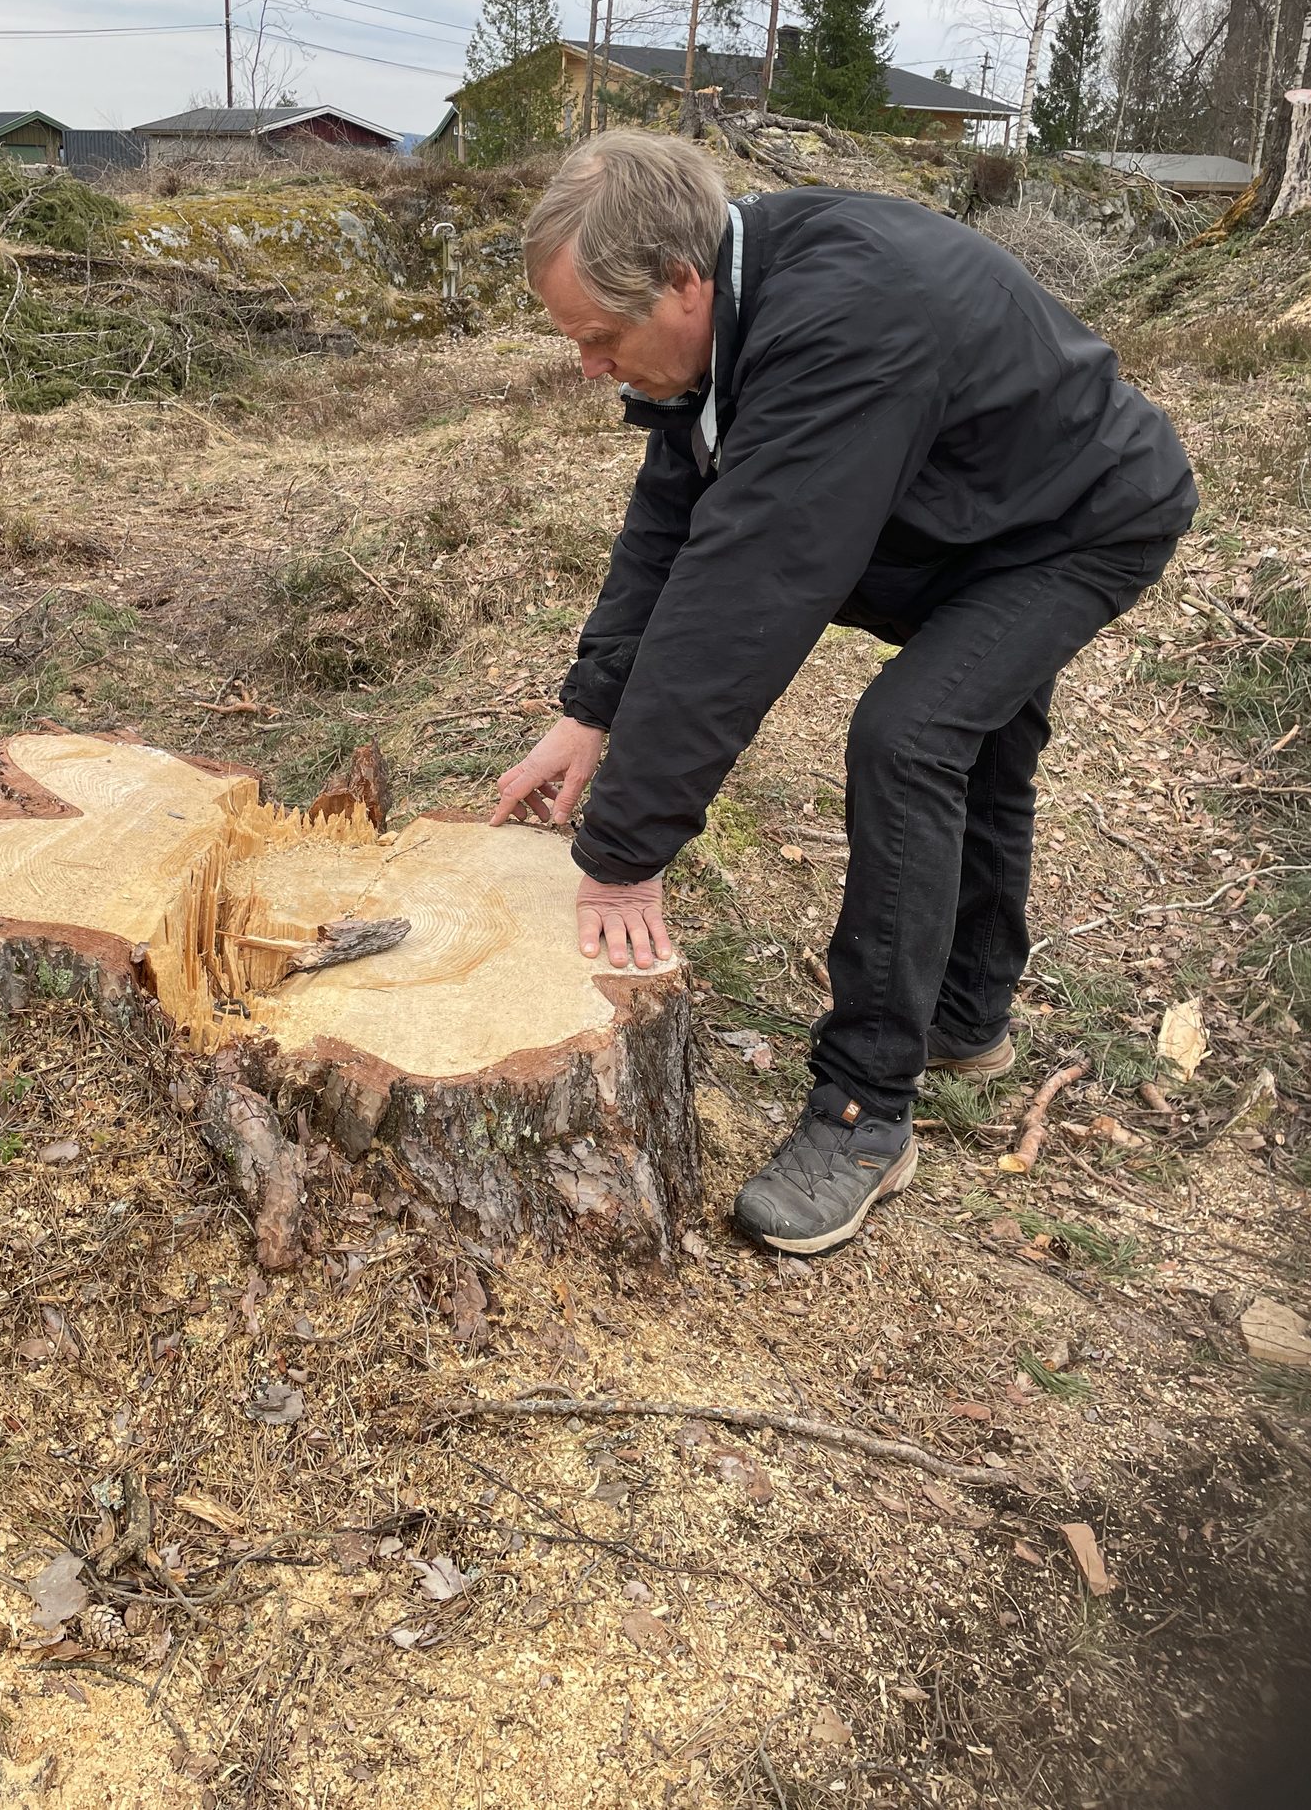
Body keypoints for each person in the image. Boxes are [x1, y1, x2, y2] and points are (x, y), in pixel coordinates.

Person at [490, 133, 1195, 1257]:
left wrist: (626, 848)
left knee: (910, 734)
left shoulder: (843, 324)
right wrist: (591, 707)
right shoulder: (729, 306)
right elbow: (675, 520)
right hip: (968, 513)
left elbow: (747, 591)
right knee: (980, 740)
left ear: (682, 281)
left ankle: (865, 1111)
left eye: (599, 338)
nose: (588, 366)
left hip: (1075, 522)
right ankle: (966, 1018)